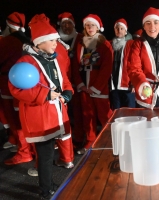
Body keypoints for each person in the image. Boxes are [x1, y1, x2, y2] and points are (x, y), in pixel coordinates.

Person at [8, 13, 73, 199]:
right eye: (52, 40)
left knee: (49, 154)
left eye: (56, 40)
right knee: (44, 157)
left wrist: (68, 92)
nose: (55, 43)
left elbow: (64, 80)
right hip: (40, 116)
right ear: (39, 42)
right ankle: (46, 190)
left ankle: (50, 184)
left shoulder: (53, 58)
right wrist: (44, 94)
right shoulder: (25, 62)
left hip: (55, 113)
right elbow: (16, 88)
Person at [72, 14, 113, 154]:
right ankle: (90, 140)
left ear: (98, 27)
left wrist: (96, 87)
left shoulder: (104, 44)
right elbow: (75, 66)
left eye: (93, 25)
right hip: (84, 86)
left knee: (104, 115)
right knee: (87, 116)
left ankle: (111, 139)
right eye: (88, 25)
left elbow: (107, 67)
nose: (90, 28)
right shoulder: (80, 43)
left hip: (98, 87)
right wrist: (80, 85)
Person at [0, 12, 33, 165]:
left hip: (8, 83)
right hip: (26, 85)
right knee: (24, 118)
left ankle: (24, 151)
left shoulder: (8, 41)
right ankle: (25, 147)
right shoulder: (28, 41)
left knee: (14, 119)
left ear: (8, 25)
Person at [57, 12, 85, 148]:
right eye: (63, 24)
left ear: (73, 25)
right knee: (62, 113)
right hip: (61, 82)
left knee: (78, 112)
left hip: (77, 80)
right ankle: (63, 141)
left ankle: (79, 138)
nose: (66, 26)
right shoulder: (55, 40)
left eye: (68, 24)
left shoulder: (80, 38)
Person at [110, 18, 135, 110]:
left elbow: (134, 63)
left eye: (121, 28)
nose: (119, 30)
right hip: (114, 85)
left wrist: (134, 82)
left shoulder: (131, 44)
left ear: (125, 31)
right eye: (117, 28)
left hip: (127, 84)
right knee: (117, 112)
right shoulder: (110, 44)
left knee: (130, 112)